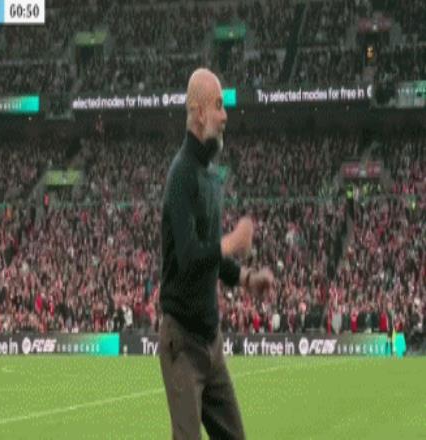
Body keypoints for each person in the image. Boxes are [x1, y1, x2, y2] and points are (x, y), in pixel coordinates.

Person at [159, 67, 274, 440]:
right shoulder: (181, 175)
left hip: (211, 341)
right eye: (219, 106)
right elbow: (190, 256)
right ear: (198, 112)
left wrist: (245, 277)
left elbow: (211, 258)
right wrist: (233, 241)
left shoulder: (209, 175)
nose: (225, 116)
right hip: (183, 344)